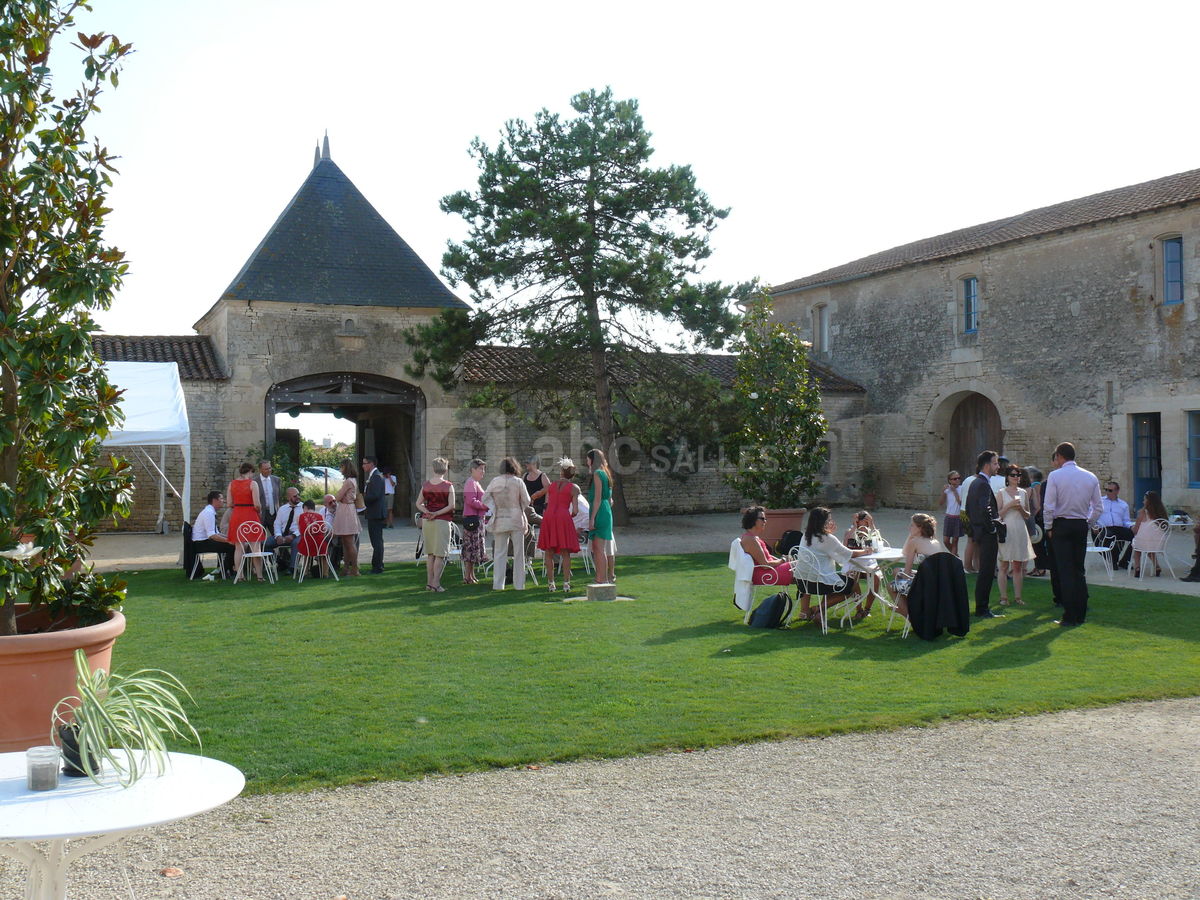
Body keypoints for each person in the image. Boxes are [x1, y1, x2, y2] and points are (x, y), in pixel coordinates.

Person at [1043, 441, 1102, 627]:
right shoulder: (1090, 477)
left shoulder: (1055, 476)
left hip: (1062, 524)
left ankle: (1069, 615)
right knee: (1078, 570)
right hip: (1080, 524)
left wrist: (1048, 527)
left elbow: (1049, 506)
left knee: (1065, 571)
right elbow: (1098, 508)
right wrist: (1088, 523)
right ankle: (1080, 613)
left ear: (1060, 456)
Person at [794, 506, 872, 623]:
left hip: (802, 581)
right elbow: (848, 553)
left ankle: (805, 612)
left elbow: (826, 547)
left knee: (834, 580)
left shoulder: (805, 535)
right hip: (820, 583)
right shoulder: (828, 538)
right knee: (851, 586)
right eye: (829, 520)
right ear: (823, 522)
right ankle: (817, 609)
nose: (831, 522)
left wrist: (829, 534)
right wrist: (866, 551)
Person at [965, 450, 1003, 618]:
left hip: (980, 532)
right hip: (986, 534)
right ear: (987, 465)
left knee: (985, 571)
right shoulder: (982, 484)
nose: (998, 466)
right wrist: (992, 528)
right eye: (995, 463)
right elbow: (983, 509)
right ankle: (982, 608)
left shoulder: (975, 482)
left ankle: (982, 607)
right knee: (987, 571)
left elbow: (969, 509)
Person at [485, 457, 531, 591]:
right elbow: (527, 500)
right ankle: (519, 585)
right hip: (516, 518)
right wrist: (520, 507)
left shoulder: (495, 481)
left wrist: (495, 507)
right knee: (519, 553)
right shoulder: (518, 481)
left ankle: (498, 585)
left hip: (500, 518)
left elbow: (485, 497)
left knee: (499, 553)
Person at [891, 513, 948, 618]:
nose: (909, 527)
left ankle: (910, 615)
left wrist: (904, 580)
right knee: (896, 570)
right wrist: (912, 534)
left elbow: (907, 571)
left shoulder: (915, 542)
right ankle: (909, 608)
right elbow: (905, 552)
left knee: (891, 586)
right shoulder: (935, 541)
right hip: (937, 583)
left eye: (912, 525)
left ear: (920, 527)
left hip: (924, 585)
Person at [538, 458, 582, 592]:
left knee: (549, 552)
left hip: (549, 516)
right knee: (565, 552)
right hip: (563, 516)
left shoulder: (551, 485)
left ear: (561, 472)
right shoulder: (574, 488)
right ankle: (566, 583)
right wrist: (570, 516)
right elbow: (575, 510)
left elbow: (543, 497)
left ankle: (551, 583)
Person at [995, 465, 1035, 606]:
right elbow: (997, 514)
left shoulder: (1023, 493)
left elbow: (1028, 515)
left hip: (1019, 529)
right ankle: (1003, 597)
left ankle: (1018, 597)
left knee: (1018, 565)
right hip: (1006, 530)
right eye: (1013, 475)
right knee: (1004, 565)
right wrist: (1009, 505)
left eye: (1018, 475)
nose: (1016, 477)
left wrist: (1021, 509)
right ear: (1007, 477)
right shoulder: (1001, 493)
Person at [417, 457, 455, 592]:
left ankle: (429, 583)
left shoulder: (426, 485)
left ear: (433, 469)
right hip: (442, 521)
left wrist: (427, 512)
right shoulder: (448, 485)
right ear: (445, 469)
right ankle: (436, 584)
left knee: (431, 554)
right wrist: (437, 513)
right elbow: (451, 505)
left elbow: (418, 503)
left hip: (428, 521)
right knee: (440, 554)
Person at [227, 462, 265, 581]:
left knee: (238, 547)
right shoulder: (253, 484)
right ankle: (259, 575)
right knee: (255, 546)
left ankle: (240, 575)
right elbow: (257, 504)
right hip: (250, 514)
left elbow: (229, 503)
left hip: (237, 514)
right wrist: (259, 511)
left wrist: (238, 505)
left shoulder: (231, 484)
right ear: (250, 471)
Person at [586, 449, 615, 585]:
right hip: (605, 509)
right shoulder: (606, 472)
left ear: (593, 459)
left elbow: (597, 498)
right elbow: (610, 499)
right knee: (598, 548)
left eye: (588, 459)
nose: (587, 462)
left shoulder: (598, 473)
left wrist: (592, 518)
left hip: (600, 512)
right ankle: (600, 577)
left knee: (599, 548)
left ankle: (602, 578)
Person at [191, 490, 234, 578]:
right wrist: (228, 540)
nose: (223, 501)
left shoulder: (210, 511)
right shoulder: (208, 513)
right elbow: (212, 535)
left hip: (204, 541)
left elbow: (216, 533)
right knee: (232, 546)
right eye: (221, 498)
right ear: (215, 500)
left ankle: (226, 570)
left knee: (231, 544)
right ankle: (225, 572)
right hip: (201, 543)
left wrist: (230, 538)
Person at [1094, 482, 1135, 570]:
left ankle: (1125, 561)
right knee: (1109, 536)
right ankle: (1113, 560)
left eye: (1110, 490)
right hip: (1104, 528)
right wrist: (1094, 525)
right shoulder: (1099, 502)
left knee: (1136, 537)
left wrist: (1132, 527)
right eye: (1106, 490)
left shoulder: (1123, 505)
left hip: (1118, 528)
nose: (1107, 492)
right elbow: (1092, 516)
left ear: (1117, 491)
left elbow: (1126, 521)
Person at [332, 458, 361, 577]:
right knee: (345, 542)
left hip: (346, 511)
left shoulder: (349, 481)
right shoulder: (352, 480)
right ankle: (346, 568)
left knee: (349, 541)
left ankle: (354, 568)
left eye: (342, 467)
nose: (340, 469)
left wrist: (338, 496)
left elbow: (338, 497)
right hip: (347, 510)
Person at [1130, 490, 1170, 577]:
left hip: (1145, 542)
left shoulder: (1143, 513)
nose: (1143, 501)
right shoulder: (1162, 514)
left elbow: (1136, 529)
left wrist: (1132, 528)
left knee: (1137, 546)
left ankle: (1137, 567)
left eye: (1144, 500)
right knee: (1149, 546)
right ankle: (1157, 566)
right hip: (1160, 543)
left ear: (1148, 501)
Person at [460, 459, 487, 585]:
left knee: (474, 549)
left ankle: (471, 575)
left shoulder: (475, 483)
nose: (483, 472)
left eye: (483, 469)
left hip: (477, 519)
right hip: (472, 519)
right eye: (480, 469)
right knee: (470, 548)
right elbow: (471, 501)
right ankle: (467, 576)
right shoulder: (471, 482)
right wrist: (485, 506)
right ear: (473, 469)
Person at [362, 455, 387, 575]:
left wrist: (362, 499)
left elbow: (375, 495)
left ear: (371, 464)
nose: (363, 466)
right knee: (376, 540)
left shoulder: (376, 476)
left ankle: (377, 566)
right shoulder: (374, 476)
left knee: (376, 541)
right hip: (374, 512)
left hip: (376, 513)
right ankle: (378, 564)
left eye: (365, 463)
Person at [295, 499, 332, 578]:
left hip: (306, 544)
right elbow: (324, 531)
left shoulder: (299, 517)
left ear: (305, 507)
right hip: (320, 544)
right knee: (323, 552)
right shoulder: (321, 516)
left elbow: (301, 532)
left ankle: (305, 572)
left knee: (306, 552)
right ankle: (325, 573)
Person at [272, 486, 303, 574]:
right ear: (288, 498)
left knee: (295, 543)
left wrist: (293, 535)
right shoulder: (282, 509)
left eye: (298, 495)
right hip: (283, 533)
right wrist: (278, 535)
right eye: (295, 496)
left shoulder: (303, 507)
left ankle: (293, 568)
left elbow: (304, 525)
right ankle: (281, 562)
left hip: (297, 534)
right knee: (265, 544)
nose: (298, 497)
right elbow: (277, 524)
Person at [938, 471, 964, 557]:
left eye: (959, 478)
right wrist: (943, 492)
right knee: (945, 540)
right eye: (955, 479)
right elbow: (940, 503)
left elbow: (961, 503)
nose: (957, 480)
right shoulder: (947, 490)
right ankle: (955, 556)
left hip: (958, 517)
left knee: (955, 540)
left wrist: (955, 492)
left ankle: (953, 558)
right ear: (949, 480)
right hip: (949, 516)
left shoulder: (962, 489)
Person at [253, 459, 281, 532]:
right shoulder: (254, 482)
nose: (269, 470)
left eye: (270, 468)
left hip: (274, 513)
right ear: (260, 470)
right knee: (260, 535)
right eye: (266, 469)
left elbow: (278, 497)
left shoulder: (276, 480)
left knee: (276, 535)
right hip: (261, 513)